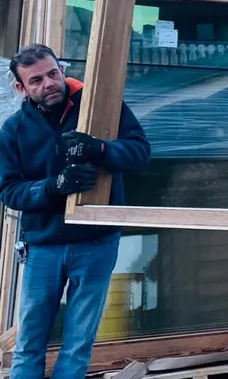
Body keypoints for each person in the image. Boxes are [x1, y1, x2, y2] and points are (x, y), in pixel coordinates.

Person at [0, 43, 151, 379]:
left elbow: (140, 151)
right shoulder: (13, 131)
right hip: (43, 245)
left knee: (79, 342)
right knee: (29, 342)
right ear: (21, 88)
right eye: (36, 80)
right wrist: (54, 187)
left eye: (53, 73)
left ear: (62, 70)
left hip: (96, 241)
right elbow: (9, 191)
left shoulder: (101, 109)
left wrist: (101, 149)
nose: (48, 83)